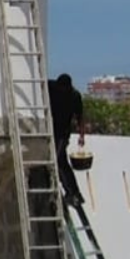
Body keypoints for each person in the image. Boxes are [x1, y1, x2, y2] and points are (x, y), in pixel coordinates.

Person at [48, 73, 86, 208]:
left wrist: (82, 135)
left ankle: (73, 193)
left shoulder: (74, 96)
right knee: (61, 161)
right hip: (51, 131)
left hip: (62, 134)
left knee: (58, 160)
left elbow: (80, 117)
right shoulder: (52, 87)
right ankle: (73, 192)